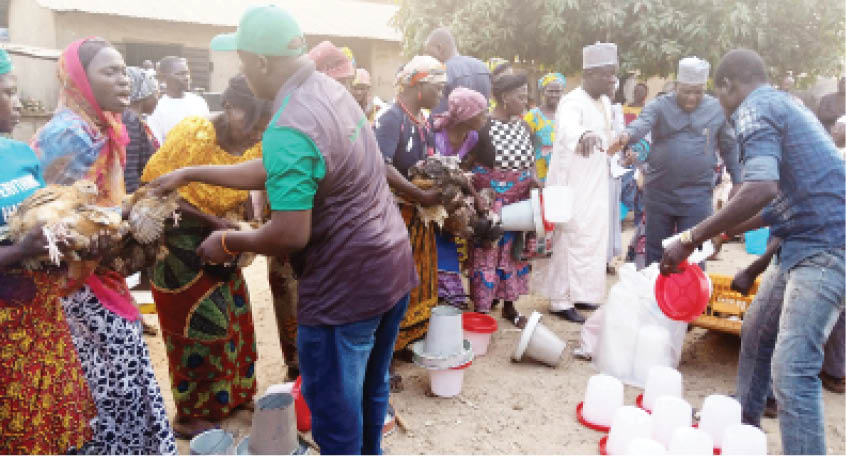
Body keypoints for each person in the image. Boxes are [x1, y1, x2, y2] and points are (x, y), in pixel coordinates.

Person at [148, 6, 417, 454]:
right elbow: (285, 165)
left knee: (334, 416)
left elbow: (291, 233)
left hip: (344, 289)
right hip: (390, 267)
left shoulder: (290, 122)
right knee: (371, 393)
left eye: (243, 60)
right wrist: (192, 171)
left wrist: (229, 241)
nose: (242, 71)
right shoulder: (329, 91)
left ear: (262, 62)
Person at [661, 48, 845, 455]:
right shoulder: (784, 104)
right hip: (803, 240)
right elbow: (775, 200)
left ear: (729, 84)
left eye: (719, 94)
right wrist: (720, 234)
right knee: (758, 329)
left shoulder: (753, 108)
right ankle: (742, 430)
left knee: (793, 367)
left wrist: (689, 239)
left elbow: (760, 188)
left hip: (828, 244)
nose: (720, 105)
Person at [30, 37, 176, 454]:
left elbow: (102, 206)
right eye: (109, 71)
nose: (123, 80)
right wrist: (121, 223)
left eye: (123, 70)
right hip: (72, 287)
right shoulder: (68, 134)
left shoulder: (103, 127)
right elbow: (55, 222)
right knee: (107, 381)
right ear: (80, 79)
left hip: (100, 274)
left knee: (122, 372)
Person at [141, 74, 269, 438]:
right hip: (178, 243)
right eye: (251, 123)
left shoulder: (258, 142)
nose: (254, 134)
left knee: (237, 323)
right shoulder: (196, 133)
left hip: (221, 239)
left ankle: (233, 398)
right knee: (198, 329)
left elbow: (247, 182)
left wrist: (240, 216)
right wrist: (211, 220)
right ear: (230, 107)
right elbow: (157, 187)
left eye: (262, 128)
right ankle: (190, 414)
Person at [0, 48, 99, 455]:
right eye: (7, 92)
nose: (17, 101)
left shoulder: (21, 154)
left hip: (40, 316)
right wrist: (19, 249)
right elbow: (25, 243)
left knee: (49, 427)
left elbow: (49, 220)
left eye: (15, 90)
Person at [611, 57, 742, 266]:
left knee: (694, 253)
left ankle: (691, 298)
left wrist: (738, 181)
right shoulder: (660, 106)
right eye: (686, 91)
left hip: (697, 196)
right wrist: (625, 136)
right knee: (657, 253)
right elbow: (642, 124)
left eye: (697, 92)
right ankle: (656, 296)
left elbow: (729, 146)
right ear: (677, 85)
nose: (691, 97)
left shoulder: (716, 109)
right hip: (660, 193)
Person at [533, 43, 619, 324]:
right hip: (571, 184)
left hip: (595, 182)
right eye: (607, 74)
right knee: (569, 237)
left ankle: (582, 293)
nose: (612, 80)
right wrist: (582, 135)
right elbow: (569, 127)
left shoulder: (605, 102)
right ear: (589, 73)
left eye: (614, 74)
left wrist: (622, 147)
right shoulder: (572, 101)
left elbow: (609, 137)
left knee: (591, 239)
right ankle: (560, 300)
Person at [374, 56, 444, 379]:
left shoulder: (423, 121)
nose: (441, 93)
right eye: (437, 87)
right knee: (390, 284)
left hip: (417, 216)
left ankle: (404, 342)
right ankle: (382, 356)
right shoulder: (391, 119)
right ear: (418, 86)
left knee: (416, 280)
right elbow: (383, 166)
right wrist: (420, 196)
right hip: (394, 215)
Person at [465, 73, 535, 327]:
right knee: (487, 254)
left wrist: (533, 180)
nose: (525, 101)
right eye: (521, 96)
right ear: (505, 98)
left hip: (518, 205)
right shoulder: (483, 128)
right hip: (490, 205)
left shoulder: (524, 126)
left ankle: (509, 306)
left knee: (512, 255)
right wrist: (477, 199)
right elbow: (466, 165)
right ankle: (482, 311)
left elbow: (530, 163)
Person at [431, 87, 488, 308]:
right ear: (467, 115)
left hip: (448, 202)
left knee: (448, 240)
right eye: (481, 113)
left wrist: (474, 197)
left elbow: (462, 171)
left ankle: (448, 294)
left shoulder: (472, 137)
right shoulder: (436, 134)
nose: (485, 118)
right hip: (427, 198)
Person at [425, 27, 492, 113]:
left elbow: (438, 119)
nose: (429, 58)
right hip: (483, 126)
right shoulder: (482, 67)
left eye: (429, 53)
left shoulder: (441, 73)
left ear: (440, 48)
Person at [148, 56, 210, 144]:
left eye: (187, 73)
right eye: (180, 74)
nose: (186, 77)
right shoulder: (156, 109)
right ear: (164, 77)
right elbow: (157, 145)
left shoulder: (199, 102)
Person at [123, 66, 159, 194]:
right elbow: (129, 170)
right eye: (155, 93)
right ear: (142, 94)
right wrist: (132, 200)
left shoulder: (136, 120)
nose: (157, 98)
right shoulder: (130, 121)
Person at [524, 73, 565, 183]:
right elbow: (525, 148)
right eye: (550, 91)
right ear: (542, 92)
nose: (554, 95)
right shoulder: (533, 116)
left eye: (558, 91)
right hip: (540, 174)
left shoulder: (568, 115)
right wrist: (533, 175)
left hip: (564, 172)